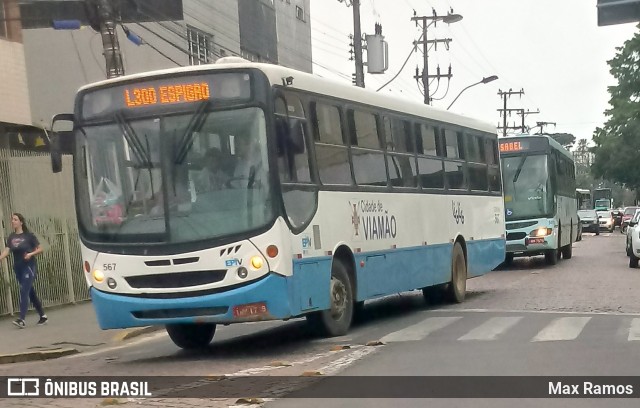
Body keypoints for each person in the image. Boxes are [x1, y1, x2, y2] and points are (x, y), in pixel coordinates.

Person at [0, 213, 48, 328]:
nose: (13, 221)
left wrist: (31, 254)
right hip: (18, 268)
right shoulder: (11, 237)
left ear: (21, 222)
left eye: (15, 219)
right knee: (30, 293)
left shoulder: (29, 236)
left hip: (29, 267)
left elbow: (41, 249)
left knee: (23, 291)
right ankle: (43, 316)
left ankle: (21, 319)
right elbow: (7, 250)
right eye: (12, 219)